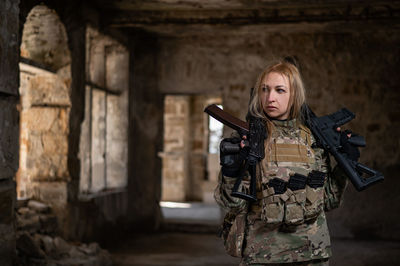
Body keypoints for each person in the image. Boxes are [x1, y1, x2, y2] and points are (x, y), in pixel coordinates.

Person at [214, 58, 358, 265]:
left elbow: (329, 200)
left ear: (294, 95)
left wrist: (346, 164)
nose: (270, 97)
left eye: (280, 90)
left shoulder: (314, 140)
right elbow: (232, 204)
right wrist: (229, 172)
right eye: (265, 89)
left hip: (312, 254)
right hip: (263, 255)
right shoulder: (253, 140)